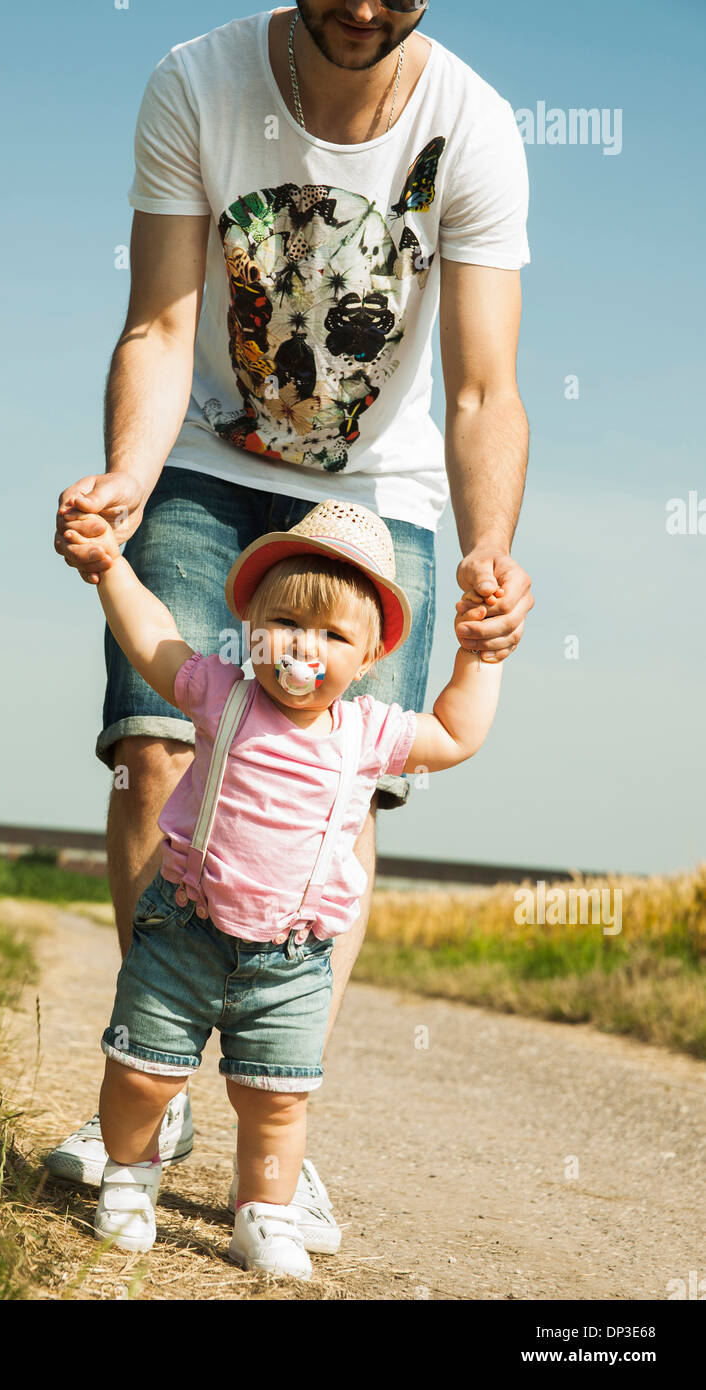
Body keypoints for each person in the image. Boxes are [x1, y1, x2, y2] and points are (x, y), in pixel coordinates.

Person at [48, 0, 535, 1251]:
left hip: (379, 494)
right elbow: (160, 323)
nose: (362, 7)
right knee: (159, 741)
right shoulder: (194, 83)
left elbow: (482, 388)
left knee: (338, 796)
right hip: (207, 456)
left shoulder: (471, 127)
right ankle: (150, 1089)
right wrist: (123, 477)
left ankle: (280, 1122)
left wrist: (487, 552)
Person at [61, 496, 504, 1278]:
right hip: (185, 934)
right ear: (252, 631)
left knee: (275, 1101)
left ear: (367, 658)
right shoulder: (220, 692)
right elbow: (153, 640)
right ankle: (130, 1180)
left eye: (334, 635)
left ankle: (264, 1214)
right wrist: (109, 569)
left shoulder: (368, 732)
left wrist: (479, 659)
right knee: (141, 1073)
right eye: (289, 624)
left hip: (293, 964)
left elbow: (458, 735)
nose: (307, 648)